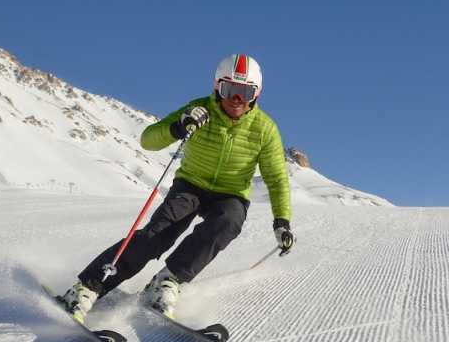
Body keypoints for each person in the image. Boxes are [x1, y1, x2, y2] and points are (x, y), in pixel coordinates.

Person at [59, 54, 295, 322]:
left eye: (245, 92)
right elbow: (148, 140)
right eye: (230, 89)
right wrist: (178, 127)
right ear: (217, 87)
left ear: (257, 93)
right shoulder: (198, 109)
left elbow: (276, 178)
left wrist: (282, 221)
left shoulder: (265, 129)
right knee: (157, 235)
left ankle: (167, 281)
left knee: (229, 221)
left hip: (230, 194)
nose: (236, 99)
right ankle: (87, 287)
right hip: (191, 185)